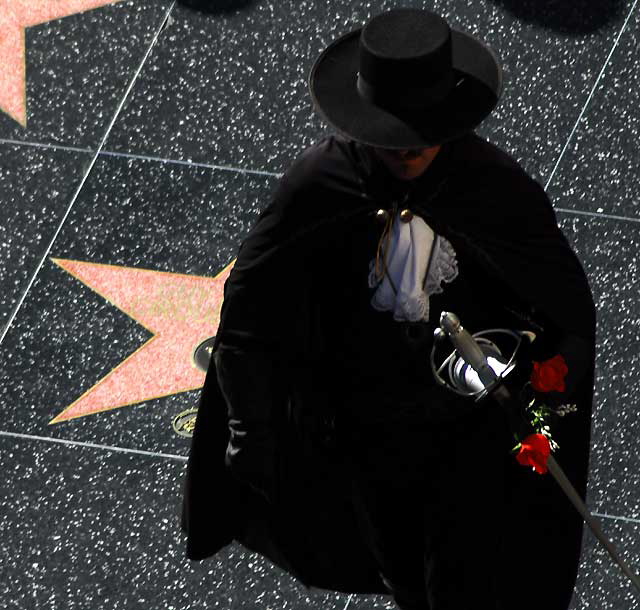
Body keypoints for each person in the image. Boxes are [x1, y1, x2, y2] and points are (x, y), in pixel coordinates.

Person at [182, 9, 596, 610]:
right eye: (393, 134)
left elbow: (564, 308)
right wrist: (253, 432)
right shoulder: (318, 185)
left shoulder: (494, 188)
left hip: (467, 436)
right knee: (398, 565)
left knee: (472, 576)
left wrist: (543, 398)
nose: (409, 151)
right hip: (363, 430)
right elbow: (250, 311)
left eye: (423, 131)